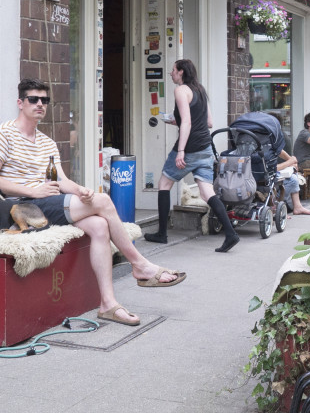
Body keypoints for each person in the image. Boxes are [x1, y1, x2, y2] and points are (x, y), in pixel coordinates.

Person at [0, 78, 187, 327]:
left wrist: (81, 191)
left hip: (49, 200)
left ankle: (108, 304)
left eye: (44, 100)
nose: (40, 104)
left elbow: (60, 180)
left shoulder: (47, 142)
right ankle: (140, 265)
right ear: (20, 103)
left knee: (99, 226)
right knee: (104, 201)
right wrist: (32, 191)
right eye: (33, 99)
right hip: (23, 206)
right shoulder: (5, 134)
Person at [145, 60, 239, 253]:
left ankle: (162, 233)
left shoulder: (181, 91)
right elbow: (209, 122)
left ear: (181, 72)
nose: (171, 73)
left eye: (173, 70)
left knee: (164, 184)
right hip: (205, 147)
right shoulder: (200, 90)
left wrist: (181, 151)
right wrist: (174, 120)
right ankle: (231, 234)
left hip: (190, 148)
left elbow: (187, 122)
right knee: (207, 193)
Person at [276, 151, 310, 215]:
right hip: (264, 176)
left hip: (272, 173)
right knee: (292, 180)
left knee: (293, 171)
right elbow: (272, 168)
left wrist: (292, 161)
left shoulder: (269, 143)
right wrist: (289, 162)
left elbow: (278, 149)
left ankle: (297, 206)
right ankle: (277, 209)